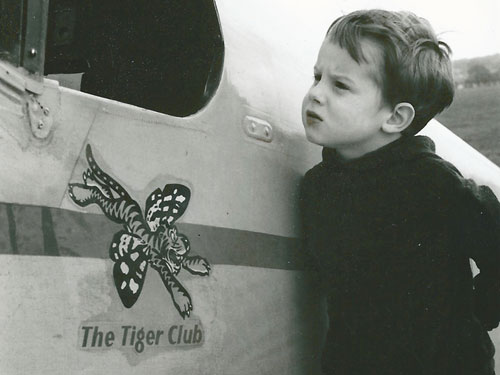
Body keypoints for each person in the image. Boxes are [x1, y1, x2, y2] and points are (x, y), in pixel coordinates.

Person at [299, 9, 500, 375]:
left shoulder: (434, 184)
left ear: (395, 118)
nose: (315, 94)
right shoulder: (317, 187)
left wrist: (474, 317)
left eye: (339, 85)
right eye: (317, 77)